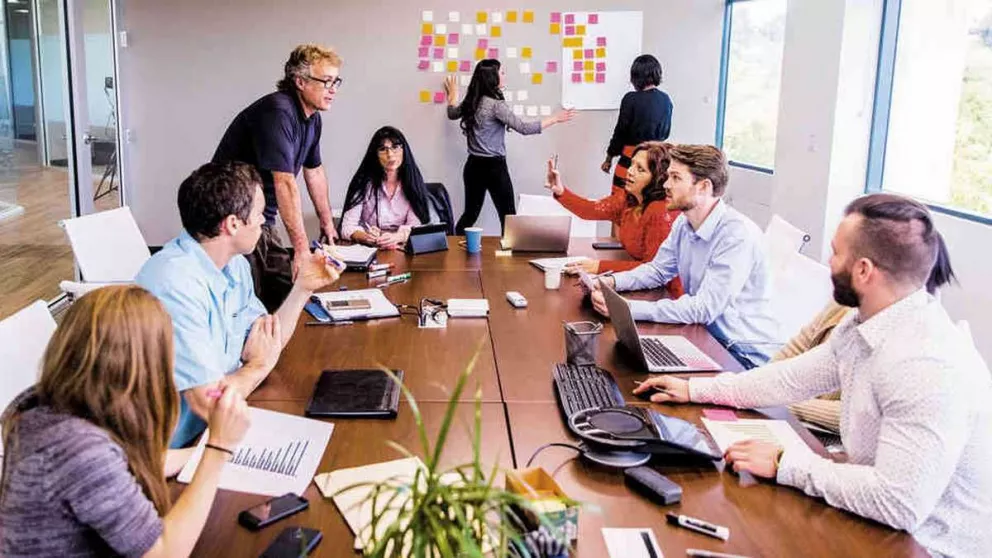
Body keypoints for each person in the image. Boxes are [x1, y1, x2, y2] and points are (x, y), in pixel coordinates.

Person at [633, 194, 992, 558]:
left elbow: (897, 502)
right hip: (883, 525)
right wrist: (694, 388)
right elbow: (787, 379)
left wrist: (783, 464)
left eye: (836, 252)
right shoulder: (866, 323)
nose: (827, 260)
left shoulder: (925, 363)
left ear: (864, 270)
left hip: (924, 546)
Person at [0, 286, 251, 557]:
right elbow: (165, 553)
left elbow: (124, 463)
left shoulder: (49, 407)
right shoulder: (76, 449)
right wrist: (218, 448)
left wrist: (205, 453)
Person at [135, 162, 341, 448]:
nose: (263, 222)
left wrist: (303, 288)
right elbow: (209, 404)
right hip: (170, 450)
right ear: (232, 223)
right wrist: (256, 368)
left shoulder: (235, 266)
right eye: (258, 214)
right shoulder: (174, 284)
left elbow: (267, 341)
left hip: (215, 430)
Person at [590, 144, 782, 368]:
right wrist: (610, 282)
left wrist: (629, 309)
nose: (665, 184)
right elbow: (658, 270)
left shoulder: (736, 235)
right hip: (705, 339)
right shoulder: (684, 221)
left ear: (703, 186)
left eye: (675, 178)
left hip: (743, 356)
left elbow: (704, 308)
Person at [779, 233, 956, 434]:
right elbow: (796, 351)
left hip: (833, 442)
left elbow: (867, 417)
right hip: (799, 423)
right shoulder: (848, 310)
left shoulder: (918, 348)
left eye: (838, 254)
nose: (831, 262)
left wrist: (791, 404)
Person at [212, 44, 342, 311]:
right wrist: (302, 251)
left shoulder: (312, 119)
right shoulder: (278, 111)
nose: (333, 89)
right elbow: (284, 182)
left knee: (289, 291)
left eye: (336, 81)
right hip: (233, 220)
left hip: (260, 218)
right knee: (248, 303)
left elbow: (314, 171)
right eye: (326, 81)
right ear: (300, 81)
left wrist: (328, 225)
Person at [443, 60, 575, 234]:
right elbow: (524, 128)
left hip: (473, 166)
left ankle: (452, 250)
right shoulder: (496, 105)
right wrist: (555, 118)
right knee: (508, 216)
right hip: (494, 168)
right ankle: (508, 256)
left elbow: (452, 113)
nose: (504, 76)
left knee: (470, 214)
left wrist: (452, 96)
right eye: (502, 73)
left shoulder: (472, 101)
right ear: (492, 78)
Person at [545, 141, 683, 297]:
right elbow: (590, 210)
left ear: (657, 178)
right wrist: (561, 191)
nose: (630, 172)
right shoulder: (628, 199)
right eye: (632, 165)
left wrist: (598, 266)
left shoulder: (660, 211)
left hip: (665, 295)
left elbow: (652, 271)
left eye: (640, 169)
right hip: (639, 285)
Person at [339, 126, 437, 250]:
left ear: (404, 150)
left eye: (395, 147)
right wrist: (366, 237)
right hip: (370, 250)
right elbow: (347, 227)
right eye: (382, 149)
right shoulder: (362, 183)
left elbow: (415, 226)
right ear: (375, 155)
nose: (390, 155)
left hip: (403, 250)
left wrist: (398, 237)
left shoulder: (412, 183)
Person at [601, 55, 674, 193]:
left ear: (635, 76)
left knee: (620, 203)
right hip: (656, 163)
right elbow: (665, 133)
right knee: (645, 204)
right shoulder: (666, 100)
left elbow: (620, 133)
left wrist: (609, 159)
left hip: (631, 159)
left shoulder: (631, 99)